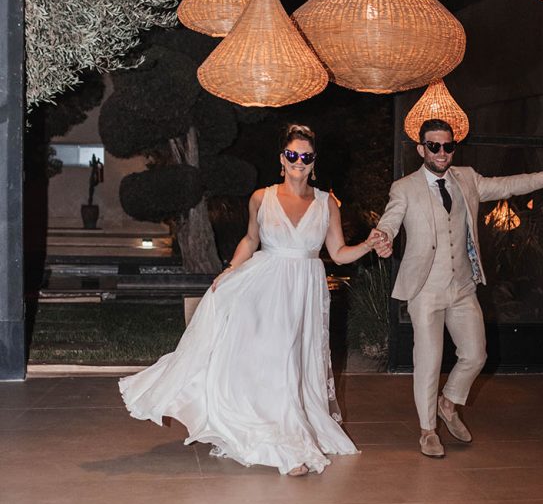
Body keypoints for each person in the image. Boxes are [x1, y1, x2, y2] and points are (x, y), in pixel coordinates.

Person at [120, 124, 378, 476]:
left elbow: (339, 252)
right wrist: (229, 271)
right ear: (281, 160)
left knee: (293, 362)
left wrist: (368, 245)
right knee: (276, 361)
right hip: (264, 287)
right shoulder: (262, 197)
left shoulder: (325, 203)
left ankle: (285, 433)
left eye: (306, 156)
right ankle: (287, 447)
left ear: (313, 162)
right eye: (292, 155)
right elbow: (250, 239)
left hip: (304, 290)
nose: (299, 162)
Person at [372, 119, 543, 458]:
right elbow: (390, 220)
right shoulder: (405, 188)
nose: (442, 153)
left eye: (447, 146)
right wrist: (383, 237)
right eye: (434, 146)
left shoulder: (467, 179)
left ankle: (449, 401)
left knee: (475, 354)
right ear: (421, 149)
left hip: (462, 286)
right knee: (428, 362)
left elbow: (507, 186)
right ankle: (428, 430)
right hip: (425, 289)